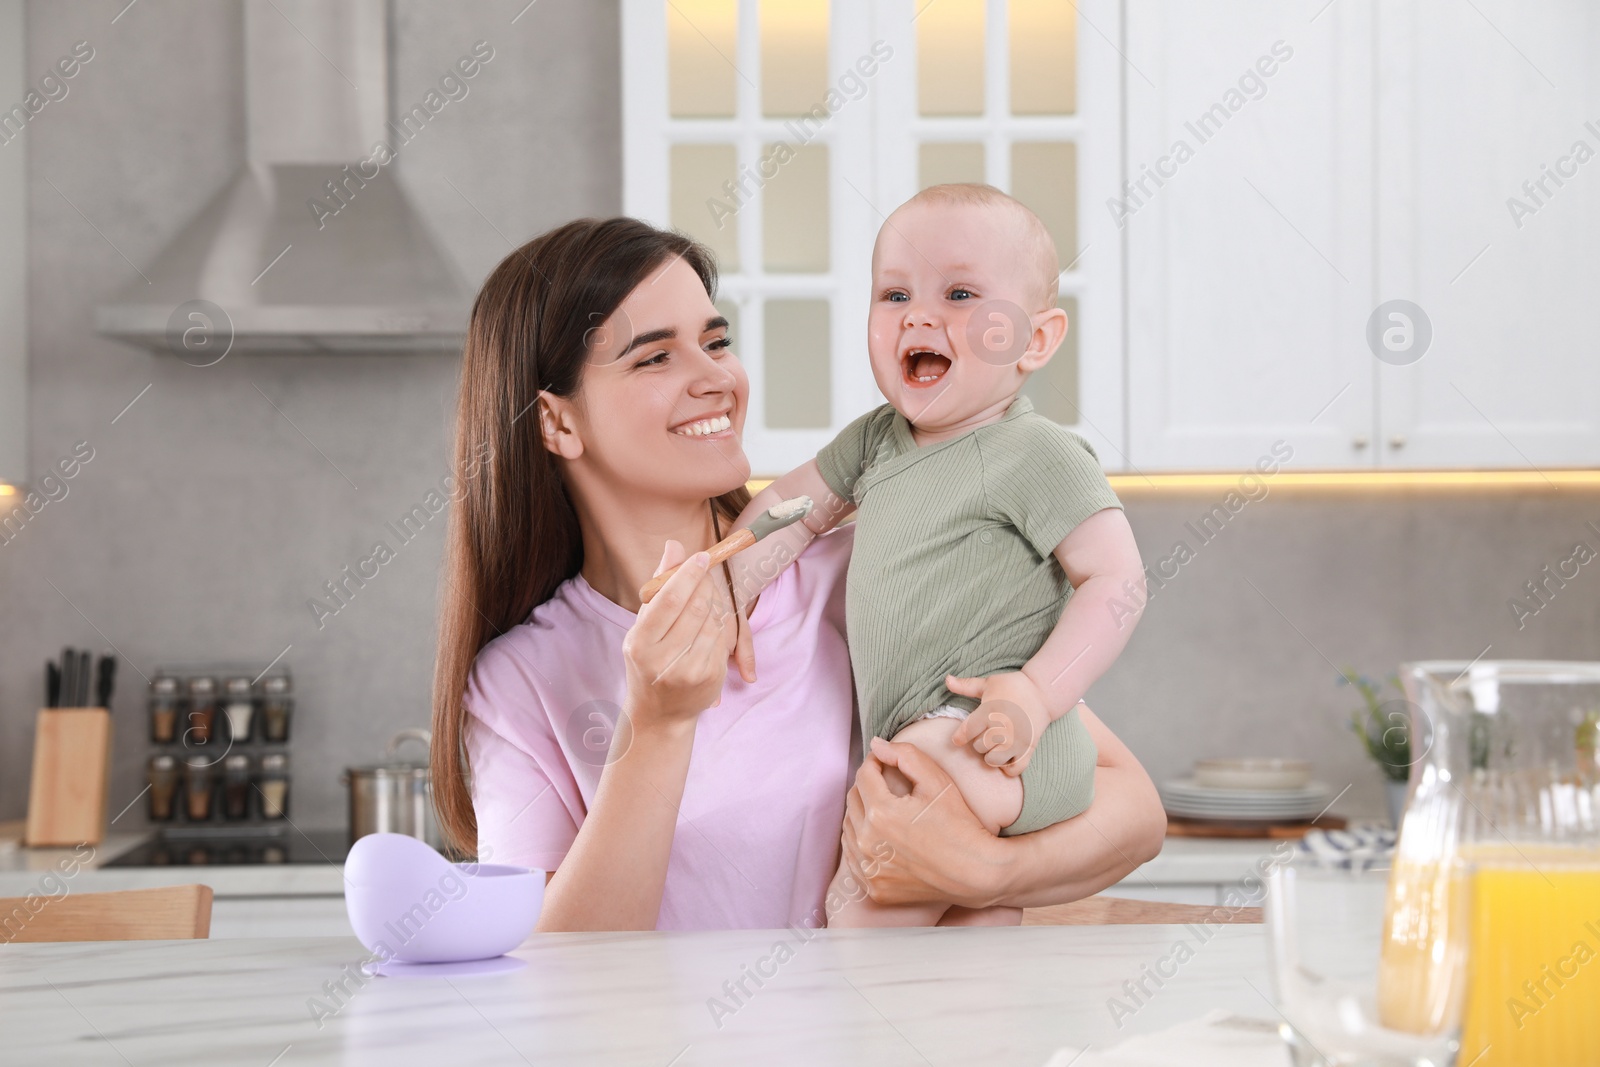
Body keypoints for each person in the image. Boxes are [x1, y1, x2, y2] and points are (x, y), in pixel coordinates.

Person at [430, 216, 1165, 931]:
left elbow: (1130, 805)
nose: (715, 376)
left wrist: (988, 873)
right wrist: (656, 726)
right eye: (656, 356)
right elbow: (556, 980)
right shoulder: (518, 682)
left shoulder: (862, 574)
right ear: (557, 423)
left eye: (715, 341)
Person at [738, 184, 1147, 926]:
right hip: (933, 735)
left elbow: (1117, 581)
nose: (920, 315)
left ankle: (857, 1037)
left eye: (960, 293)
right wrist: (728, 581)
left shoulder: (1035, 451)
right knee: (966, 928)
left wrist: (1033, 692)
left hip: (989, 732)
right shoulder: (876, 441)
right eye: (894, 294)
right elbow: (792, 511)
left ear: (1037, 339)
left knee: (862, 899)